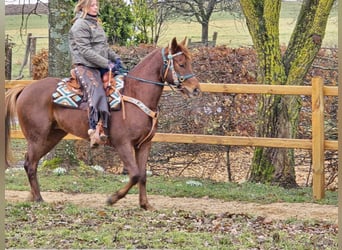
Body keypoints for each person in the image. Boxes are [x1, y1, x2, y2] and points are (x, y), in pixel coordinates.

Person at [68, 0, 121, 148]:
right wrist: (107, 63)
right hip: (85, 66)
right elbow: (85, 51)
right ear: (83, 7)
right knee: (97, 92)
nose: (95, 7)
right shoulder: (79, 25)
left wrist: (116, 58)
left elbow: (104, 47)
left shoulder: (96, 23)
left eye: (96, 5)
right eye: (92, 5)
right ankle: (95, 128)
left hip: (99, 65)